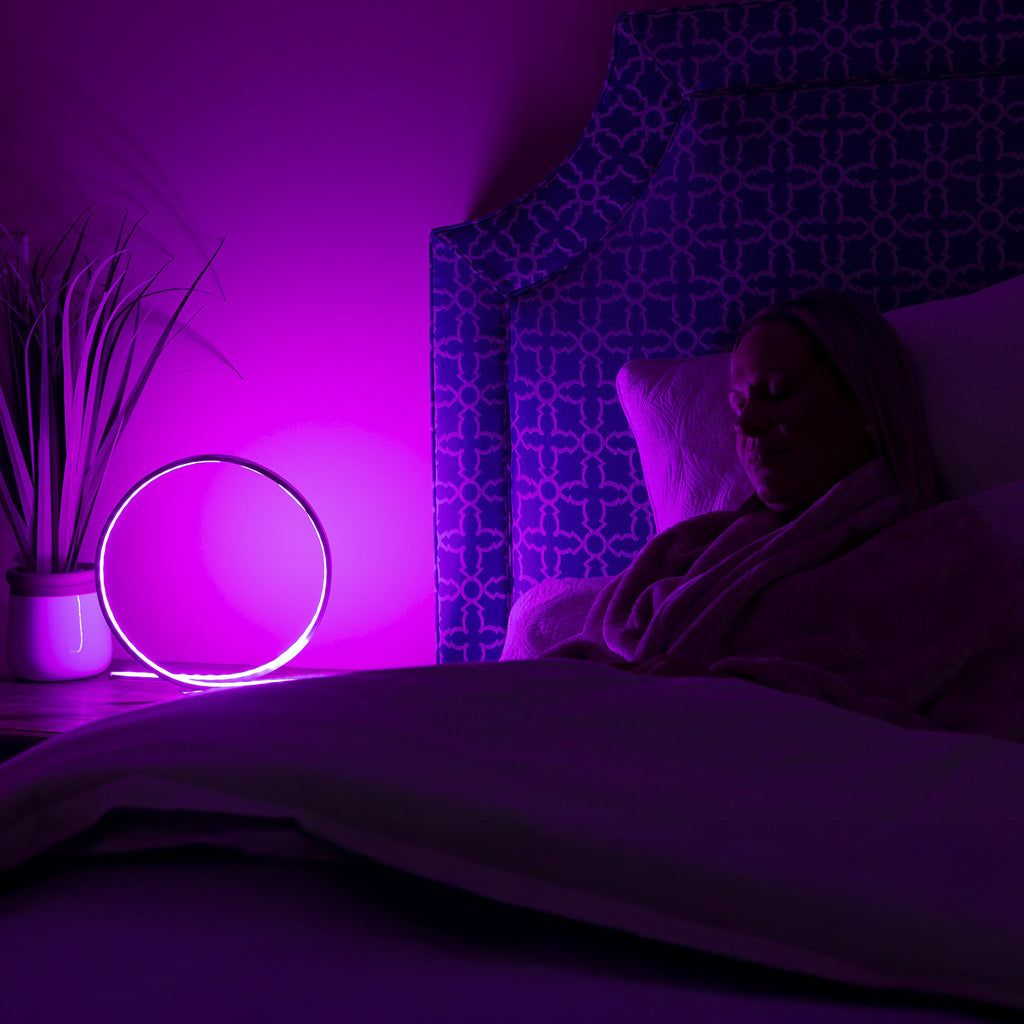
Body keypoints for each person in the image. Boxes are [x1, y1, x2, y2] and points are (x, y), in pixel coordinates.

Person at [508, 288, 1024, 741]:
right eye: (737, 407)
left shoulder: (951, 559)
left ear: (865, 404)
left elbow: (978, 748)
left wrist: (738, 695)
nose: (749, 422)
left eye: (777, 392)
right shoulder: (693, 551)